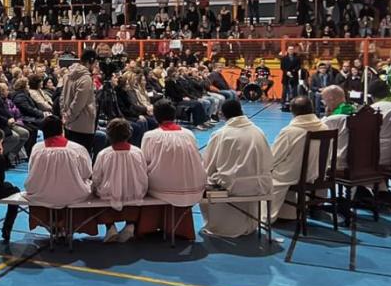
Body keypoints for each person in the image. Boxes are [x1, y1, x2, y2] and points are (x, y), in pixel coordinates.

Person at [199, 99, 274, 238]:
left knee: (204, 181)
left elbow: (208, 165)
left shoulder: (221, 134)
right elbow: (270, 162)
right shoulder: (258, 131)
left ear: (223, 114)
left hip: (234, 186)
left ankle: (220, 226)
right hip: (261, 185)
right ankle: (250, 224)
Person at [140, 100, 205, 240]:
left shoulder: (150, 136)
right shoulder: (188, 133)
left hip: (164, 189)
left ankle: (142, 226)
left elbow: (144, 164)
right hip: (194, 187)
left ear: (155, 117)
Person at [24, 116, 95, 237]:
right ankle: (67, 225)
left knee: (44, 190)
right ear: (62, 129)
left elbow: (32, 171)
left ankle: (53, 224)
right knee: (87, 186)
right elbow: (87, 173)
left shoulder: (37, 148)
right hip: (74, 194)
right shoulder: (77, 148)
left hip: (42, 194)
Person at [268, 96, 329, 222]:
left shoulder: (290, 131)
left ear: (293, 111)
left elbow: (274, 157)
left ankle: (271, 213)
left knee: (265, 171)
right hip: (317, 173)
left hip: (294, 175)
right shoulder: (324, 127)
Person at [90, 118, 148, 243]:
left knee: (100, 194)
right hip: (134, 192)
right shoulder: (138, 152)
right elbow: (144, 174)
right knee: (135, 192)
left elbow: (96, 177)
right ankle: (130, 225)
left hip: (109, 193)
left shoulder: (104, 154)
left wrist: (94, 188)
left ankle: (110, 227)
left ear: (109, 135)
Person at [60, 50, 100, 155]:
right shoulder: (86, 78)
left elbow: (62, 97)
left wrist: (65, 116)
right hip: (83, 125)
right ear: (90, 61)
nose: (95, 66)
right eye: (95, 63)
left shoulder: (68, 74)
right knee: (83, 159)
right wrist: (69, 116)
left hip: (69, 123)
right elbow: (78, 103)